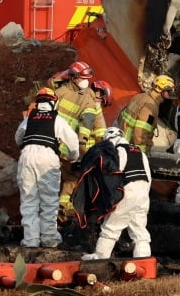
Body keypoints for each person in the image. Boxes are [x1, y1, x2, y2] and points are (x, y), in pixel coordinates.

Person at [15, 88, 80, 249]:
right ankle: (49, 238)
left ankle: (30, 240)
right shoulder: (57, 119)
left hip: (27, 156)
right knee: (48, 200)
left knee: (29, 200)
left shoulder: (30, 119)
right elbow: (72, 142)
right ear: (53, 101)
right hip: (48, 156)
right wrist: (73, 158)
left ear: (38, 102)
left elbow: (18, 138)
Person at [78, 127, 152, 260]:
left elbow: (113, 178)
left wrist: (109, 200)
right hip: (143, 194)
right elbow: (148, 176)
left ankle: (100, 259)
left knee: (111, 228)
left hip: (126, 192)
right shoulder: (140, 152)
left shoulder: (117, 152)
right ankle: (143, 261)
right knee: (139, 230)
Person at [48, 60, 106, 216]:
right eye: (83, 78)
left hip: (53, 146)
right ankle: (61, 210)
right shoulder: (85, 98)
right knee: (69, 180)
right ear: (73, 77)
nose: (86, 82)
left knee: (56, 180)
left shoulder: (60, 92)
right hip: (67, 150)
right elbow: (87, 123)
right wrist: (82, 146)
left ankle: (55, 209)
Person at [115, 75, 175, 153]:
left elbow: (121, 117)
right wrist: (141, 153)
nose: (170, 94)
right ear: (160, 89)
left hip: (121, 142)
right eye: (169, 91)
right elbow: (141, 131)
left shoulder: (139, 96)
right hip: (130, 148)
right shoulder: (151, 107)